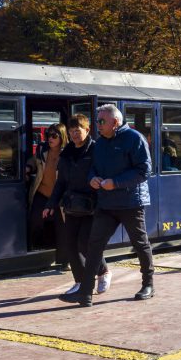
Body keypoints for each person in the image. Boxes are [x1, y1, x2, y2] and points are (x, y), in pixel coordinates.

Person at [60, 104, 155, 307]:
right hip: (106, 203)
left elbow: (144, 170)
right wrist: (92, 178)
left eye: (102, 121)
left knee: (140, 244)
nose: (98, 125)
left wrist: (116, 182)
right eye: (97, 121)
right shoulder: (101, 143)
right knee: (93, 245)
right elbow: (93, 168)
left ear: (115, 122)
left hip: (131, 202)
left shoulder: (134, 138)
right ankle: (85, 293)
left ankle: (148, 284)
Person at [44, 114, 110, 296]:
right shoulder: (66, 154)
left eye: (77, 130)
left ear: (87, 130)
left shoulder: (96, 151)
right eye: (71, 131)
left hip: (92, 205)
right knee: (70, 245)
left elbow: (103, 175)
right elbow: (61, 183)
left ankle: (103, 271)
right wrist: (51, 203)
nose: (74, 134)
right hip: (71, 205)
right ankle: (80, 281)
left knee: (84, 243)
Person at [27, 123, 67, 260]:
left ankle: (64, 259)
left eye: (54, 136)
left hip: (59, 196)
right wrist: (28, 167)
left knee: (62, 227)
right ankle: (37, 250)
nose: (50, 138)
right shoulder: (42, 149)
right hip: (42, 193)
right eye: (48, 135)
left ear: (61, 137)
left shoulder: (67, 152)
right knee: (35, 220)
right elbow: (34, 161)